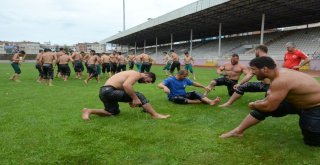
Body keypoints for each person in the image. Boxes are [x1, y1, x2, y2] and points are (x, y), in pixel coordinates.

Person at [220, 56, 320, 146]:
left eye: (254, 69)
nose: (252, 72)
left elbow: (269, 106)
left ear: (265, 69)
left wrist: (254, 104)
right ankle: (238, 131)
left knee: (312, 141)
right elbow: (270, 99)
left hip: (315, 107)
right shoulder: (279, 73)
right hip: (296, 103)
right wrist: (263, 102)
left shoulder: (281, 80)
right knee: (262, 107)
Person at [82, 70, 170, 120]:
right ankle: (155, 115)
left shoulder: (130, 74)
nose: (145, 83)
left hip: (103, 92)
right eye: (148, 81)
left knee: (112, 112)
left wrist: (130, 100)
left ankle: (89, 111)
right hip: (110, 91)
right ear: (146, 74)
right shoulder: (136, 74)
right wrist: (135, 99)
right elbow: (126, 85)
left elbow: (123, 88)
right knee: (139, 96)